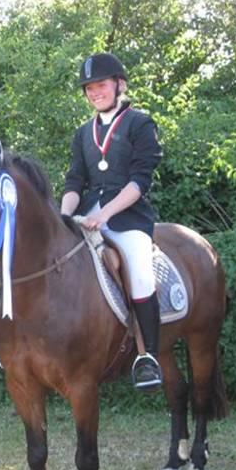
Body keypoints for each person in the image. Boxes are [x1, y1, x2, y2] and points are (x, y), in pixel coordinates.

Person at [60, 52, 164, 390]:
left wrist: (105, 214)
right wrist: (63, 218)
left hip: (128, 219)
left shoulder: (140, 123)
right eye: (88, 88)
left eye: (100, 85)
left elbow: (140, 181)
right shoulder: (82, 133)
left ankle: (148, 356)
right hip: (88, 213)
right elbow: (75, 181)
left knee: (140, 271)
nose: (94, 93)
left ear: (119, 84)